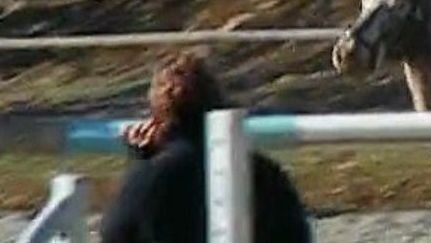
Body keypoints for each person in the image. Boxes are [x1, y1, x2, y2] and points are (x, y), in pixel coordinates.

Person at [100, 50, 313, 243]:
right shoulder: (266, 173)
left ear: (157, 118)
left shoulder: (151, 179)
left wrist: (139, 165)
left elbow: (116, 233)